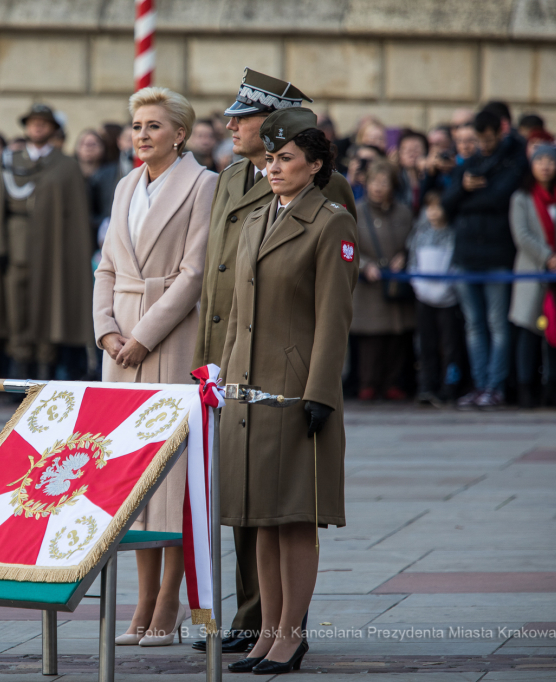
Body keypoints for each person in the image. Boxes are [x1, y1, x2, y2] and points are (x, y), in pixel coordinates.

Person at [191, 69, 356, 658]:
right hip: (243, 382)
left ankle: (289, 631)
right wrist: (221, 372)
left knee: (291, 516)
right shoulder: (250, 196)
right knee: (252, 515)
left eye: (284, 156)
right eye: (273, 158)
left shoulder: (328, 210)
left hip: (292, 386)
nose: (272, 166)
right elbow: (231, 300)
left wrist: (320, 391)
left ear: (309, 160)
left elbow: (332, 314)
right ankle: (261, 627)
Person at [93, 86, 216, 647]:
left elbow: (194, 274)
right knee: (131, 477)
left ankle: (168, 602)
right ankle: (139, 603)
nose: (141, 134)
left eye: (153, 125)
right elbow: (106, 267)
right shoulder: (123, 186)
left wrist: (141, 336)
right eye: (136, 125)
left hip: (169, 338)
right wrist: (106, 331)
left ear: (180, 134)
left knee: (171, 478)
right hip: (118, 346)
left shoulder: (203, 184)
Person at [0, 103, 95, 381]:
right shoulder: (9, 161)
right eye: (32, 122)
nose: (37, 126)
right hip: (16, 249)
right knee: (16, 312)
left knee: (48, 311)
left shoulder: (66, 165)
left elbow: (75, 217)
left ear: (54, 128)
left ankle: (44, 373)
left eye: (43, 122)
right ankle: (19, 373)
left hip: (53, 252)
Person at [442, 108, 527, 409]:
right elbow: (446, 204)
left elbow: (498, 198)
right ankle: (480, 385)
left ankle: (496, 386)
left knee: (497, 324)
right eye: (481, 139)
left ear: (499, 133)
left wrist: (467, 197)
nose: (485, 145)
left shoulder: (512, 160)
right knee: (474, 325)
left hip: (497, 254)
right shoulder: (469, 165)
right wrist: (463, 189)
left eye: (489, 139)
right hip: (466, 255)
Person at [508, 144, 556, 408]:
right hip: (532, 271)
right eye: (540, 160)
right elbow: (522, 235)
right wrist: (548, 256)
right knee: (528, 330)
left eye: (550, 160)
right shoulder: (522, 198)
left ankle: (553, 387)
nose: (545, 165)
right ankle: (526, 388)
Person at [351, 160, 415, 401]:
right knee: (372, 338)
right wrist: (365, 265)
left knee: (397, 336)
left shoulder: (404, 212)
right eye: (374, 182)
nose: (378, 187)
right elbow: (347, 246)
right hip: (370, 285)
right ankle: (368, 383)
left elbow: (413, 240)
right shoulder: (356, 210)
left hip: (397, 284)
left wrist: (405, 257)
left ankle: (392, 382)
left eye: (383, 182)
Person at [407, 191, 462, 405]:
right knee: (425, 344)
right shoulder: (419, 234)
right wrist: (419, 287)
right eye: (429, 208)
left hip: (448, 299)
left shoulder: (452, 233)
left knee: (450, 346)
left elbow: (455, 264)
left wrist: (448, 289)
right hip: (424, 298)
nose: (433, 212)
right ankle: (426, 386)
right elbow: (412, 262)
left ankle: (449, 386)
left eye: (437, 207)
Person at [75, 129, 119, 245]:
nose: (89, 147)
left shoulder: (113, 174)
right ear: (77, 148)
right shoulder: (70, 175)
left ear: (103, 148)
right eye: (84, 143)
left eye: (93, 144)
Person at [396, 129, 428, 212]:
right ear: (399, 154)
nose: (411, 154)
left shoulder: (433, 177)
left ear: (426, 152)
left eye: (416, 149)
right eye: (407, 150)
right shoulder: (395, 179)